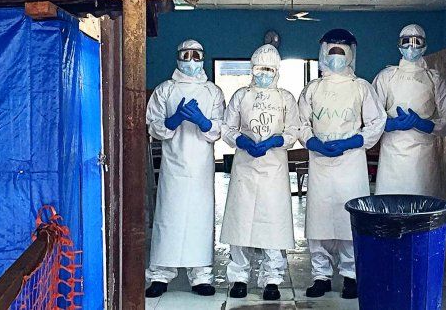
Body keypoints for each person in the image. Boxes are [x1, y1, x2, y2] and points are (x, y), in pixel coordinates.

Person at [298, 29, 386, 299]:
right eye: (331, 51)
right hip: (320, 162)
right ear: (323, 52)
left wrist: (353, 142)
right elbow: (300, 123)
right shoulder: (312, 89)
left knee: (349, 219)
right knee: (319, 220)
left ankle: (351, 276)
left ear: (350, 55)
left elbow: (377, 121)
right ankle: (320, 275)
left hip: (351, 162)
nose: (335, 56)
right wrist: (312, 142)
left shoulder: (361, 87)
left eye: (341, 51)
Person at [144, 39, 225, 298]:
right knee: (168, 218)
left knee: (200, 221)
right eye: (186, 55)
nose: (191, 60)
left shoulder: (213, 92)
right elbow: (153, 126)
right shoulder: (165, 90)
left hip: (201, 167)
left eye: (196, 55)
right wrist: (174, 119)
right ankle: (159, 275)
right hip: (173, 166)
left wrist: (202, 122)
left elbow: (219, 129)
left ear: (203, 58)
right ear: (178, 57)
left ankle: (201, 276)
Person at [220, 44, 300, 301]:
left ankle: (272, 279)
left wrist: (275, 141)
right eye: (259, 68)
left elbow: (293, 130)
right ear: (251, 69)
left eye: (269, 69)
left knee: (272, 223)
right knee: (240, 222)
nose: (263, 73)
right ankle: (239, 277)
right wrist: (240, 140)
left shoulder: (286, 98)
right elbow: (227, 127)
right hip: (245, 166)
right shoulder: (241, 95)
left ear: (276, 71)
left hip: (274, 168)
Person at [373, 24, 446, 196]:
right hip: (392, 157)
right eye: (406, 42)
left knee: (423, 208)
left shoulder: (435, 79)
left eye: (417, 42)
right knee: (391, 209)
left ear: (424, 46)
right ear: (399, 45)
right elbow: (370, 117)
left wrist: (426, 125)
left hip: (423, 157)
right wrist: (389, 124)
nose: (411, 47)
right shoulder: (386, 78)